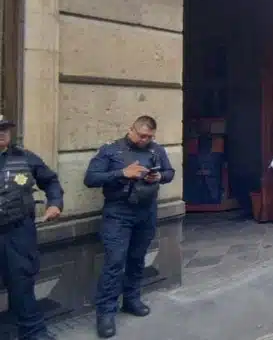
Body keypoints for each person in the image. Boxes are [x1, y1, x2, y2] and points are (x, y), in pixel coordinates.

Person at [84, 116, 175, 338]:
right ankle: (106, 313)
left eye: (149, 137)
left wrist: (158, 176)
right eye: (141, 135)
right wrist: (122, 173)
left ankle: (132, 300)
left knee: (137, 258)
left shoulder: (156, 150)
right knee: (114, 262)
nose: (145, 140)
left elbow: (170, 173)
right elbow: (90, 178)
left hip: (146, 212)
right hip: (118, 213)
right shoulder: (111, 150)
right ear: (130, 130)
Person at [0, 115, 63, 340]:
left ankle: (33, 332)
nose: (2, 134)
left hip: (18, 233)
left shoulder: (25, 158)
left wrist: (54, 203)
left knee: (22, 283)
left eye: (5, 130)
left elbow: (51, 181)